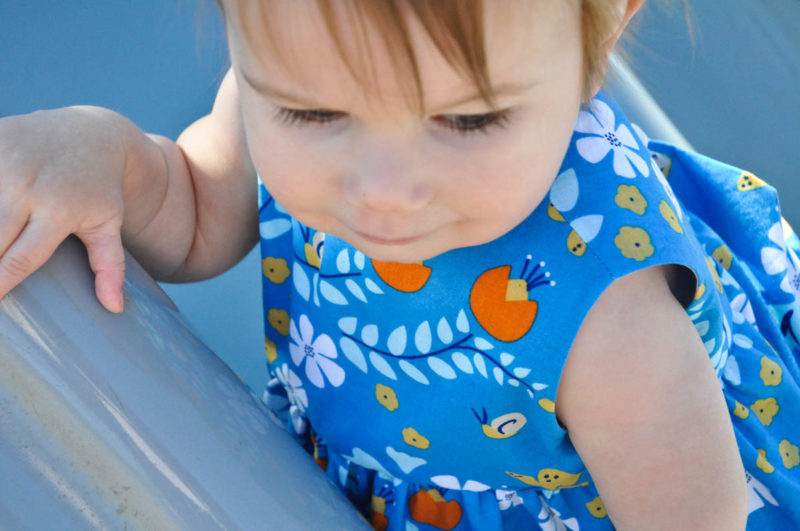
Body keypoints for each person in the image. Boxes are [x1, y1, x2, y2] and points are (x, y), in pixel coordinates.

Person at [0, 0, 797, 528]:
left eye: (468, 120)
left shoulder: (612, 321)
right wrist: (100, 153)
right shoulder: (303, 54)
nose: (382, 194)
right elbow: (198, 212)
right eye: (312, 113)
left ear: (601, 36)